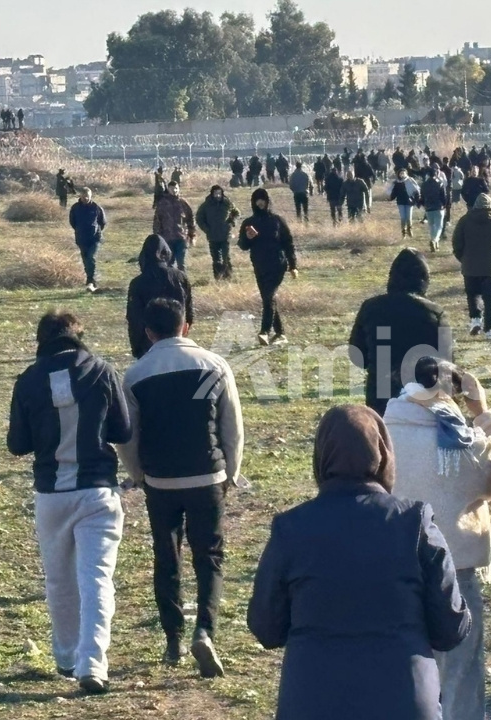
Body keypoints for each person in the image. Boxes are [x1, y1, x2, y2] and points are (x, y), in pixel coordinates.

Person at [247, 405, 471, 720]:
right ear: (383, 454)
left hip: (313, 700)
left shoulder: (291, 528)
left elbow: (266, 627)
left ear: (321, 457)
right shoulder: (414, 523)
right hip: (404, 699)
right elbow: (451, 628)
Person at [119, 298, 244, 680]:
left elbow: (128, 437)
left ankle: (172, 638)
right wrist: (231, 473)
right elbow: (232, 427)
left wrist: (138, 474)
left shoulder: (135, 375)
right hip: (207, 476)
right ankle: (205, 630)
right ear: (185, 326)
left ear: (148, 332)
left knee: (166, 556)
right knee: (209, 556)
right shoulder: (214, 365)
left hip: (161, 480)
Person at [7, 311, 130, 696]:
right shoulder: (102, 370)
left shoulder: (28, 380)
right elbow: (123, 430)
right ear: (79, 336)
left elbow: (17, 445)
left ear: (40, 340)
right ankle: (93, 663)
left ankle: (65, 656)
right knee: (96, 578)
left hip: (51, 494)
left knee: (59, 579)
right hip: (97, 491)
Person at [383, 357, 491, 720]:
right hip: (456, 568)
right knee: (459, 676)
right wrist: (484, 413)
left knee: (405, 674)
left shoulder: (381, 430)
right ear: (452, 392)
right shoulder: (463, 439)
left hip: (393, 569)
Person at [348, 249, 452, 415]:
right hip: (423, 395)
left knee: (384, 438)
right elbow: (447, 363)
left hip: (380, 393)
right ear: (424, 278)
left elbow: (357, 356)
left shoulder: (370, 308)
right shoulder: (435, 313)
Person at [238, 188, 298, 346]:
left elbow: (288, 243)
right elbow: (243, 245)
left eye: (262, 199)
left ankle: (264, 331)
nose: (260, 202)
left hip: (278, 264)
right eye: (257, 199)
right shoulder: (249, 223)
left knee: (269, 297)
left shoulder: (277, 221)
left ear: (268, 201)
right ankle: (280, 333)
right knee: (268, 298)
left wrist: (293, 265)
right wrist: (247, 237)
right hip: (259, 265)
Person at [451, 193, 491, 341]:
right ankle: (490, 330)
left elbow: (456, 242)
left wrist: (463, 258)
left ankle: (475, 320)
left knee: (472, 295)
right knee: (490, 299)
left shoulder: (464, 220)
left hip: (470, 266)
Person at [126, 235, 194, 360]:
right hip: (177, 338)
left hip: (149, 344)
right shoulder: (180, 277)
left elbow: (134, 318)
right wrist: (184, 332)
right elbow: (189, 310)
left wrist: (136, 348)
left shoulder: (138, 283)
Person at [195, 186, 240, 281]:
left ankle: (228, 277)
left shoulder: (227, 203)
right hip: (212, 236)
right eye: (216, 193)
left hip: (225, 234)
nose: (218, 195)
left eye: (219, 193)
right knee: (216, 259)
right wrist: (206, 229)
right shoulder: (206, 205)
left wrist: (232, 222)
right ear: (212, 194)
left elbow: (236, 213)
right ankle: (218, 277)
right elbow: (199, 218)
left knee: (226, 257)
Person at [68, 188, 106, 293]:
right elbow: (72, 222)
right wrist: (80, 230)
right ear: (80, 196)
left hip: (94, 238)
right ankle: (90, 279)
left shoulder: (96, 208)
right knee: (85, 259)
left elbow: (102, 222)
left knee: (91, 257)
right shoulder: (75, 208)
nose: (85, 198)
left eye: (87, 196)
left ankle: (91, 280)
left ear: (91, 196)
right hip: (81, 238)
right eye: (83, 196)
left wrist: (96, 231)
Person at [153, 181, 196, 271]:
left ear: (179, 189)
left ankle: (183, 283)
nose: (174, 190)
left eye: (176, 188)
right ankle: (170, 284)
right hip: (167, 239)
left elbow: (190, 220)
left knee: (181, 264)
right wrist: (157, 238)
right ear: (168, 189)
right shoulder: (162, 204)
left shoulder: (183, 203)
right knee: (169, 264)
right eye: (172, 189)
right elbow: (157, 221)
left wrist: (192, 235)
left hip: (181, 238)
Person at [420, 169, 449, 252]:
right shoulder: (440, 183)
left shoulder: (424, 184)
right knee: (439, 226)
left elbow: (422, 196)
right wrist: (444, 204)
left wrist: (424, 205)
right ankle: (435, 240)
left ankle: (435, 244)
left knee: (431, 226)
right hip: (438, 207)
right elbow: (443, 195)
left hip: (428, 208)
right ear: (436, 174)